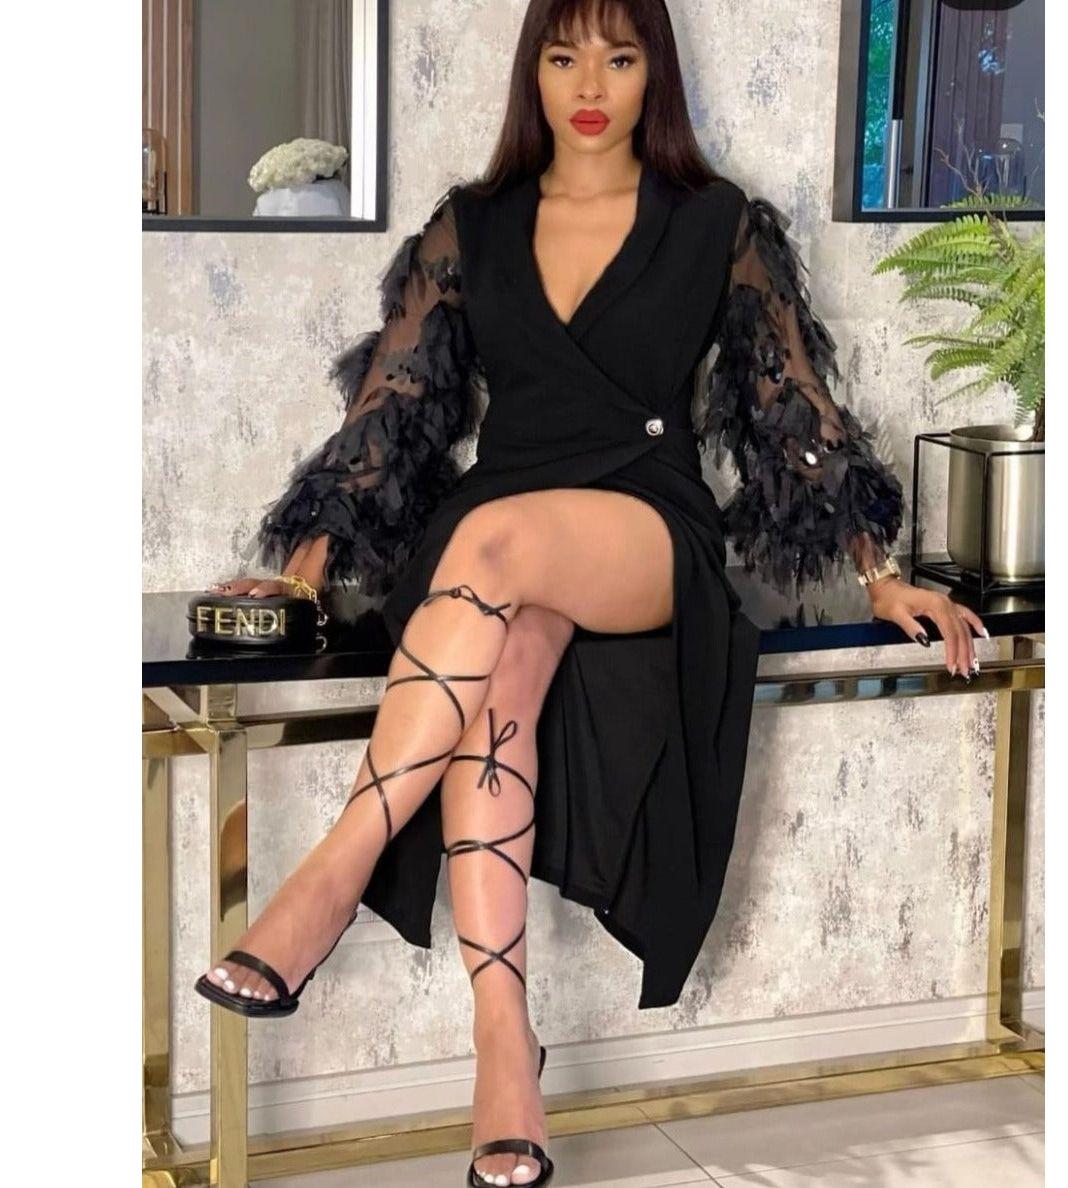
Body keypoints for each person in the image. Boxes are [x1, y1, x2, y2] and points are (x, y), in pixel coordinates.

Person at [195, 2, 987, 1184]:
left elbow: (791, 405)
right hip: (502, 536)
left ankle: (339, 866)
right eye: (564, 57)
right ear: (534, 71)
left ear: (653, 73)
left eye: (619, 58)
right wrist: (298, 569)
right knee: (503, 663)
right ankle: (503, 1044)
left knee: (494, 547)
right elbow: (391, 414)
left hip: (642, 521)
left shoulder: (715, 222)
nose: (590, 84)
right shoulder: (471, 225)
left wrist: (880, 571)